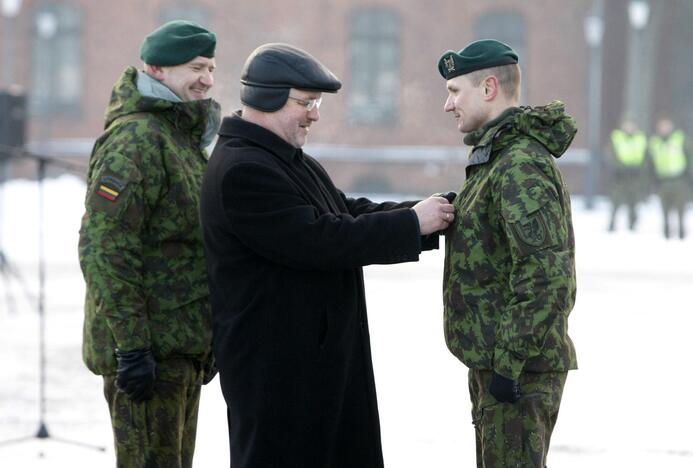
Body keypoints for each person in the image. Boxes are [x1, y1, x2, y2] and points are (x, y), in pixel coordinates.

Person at [200, 43, 455, 468]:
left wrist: (423, 213)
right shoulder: (243, 170)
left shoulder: (283, 158)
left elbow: (344, 210)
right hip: (279, 376)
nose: (315, 113)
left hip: (310, 366)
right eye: (307, 102)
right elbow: (319, 239)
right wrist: (411, 224)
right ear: (268, 97)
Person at [78, 20, 220, 467]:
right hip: (147, 356)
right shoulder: (138, 138)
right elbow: (104, 248)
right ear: (156, 69)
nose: (207, 80)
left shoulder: (178, 136)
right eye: (196, 67)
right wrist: (132, 347)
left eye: (212, 68)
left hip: (178, 349)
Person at [437, 39, 578, 467]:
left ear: (489, 88)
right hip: (500, 364)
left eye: (455, 91)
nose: (448, 105)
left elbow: (546, 273)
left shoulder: (519, 162)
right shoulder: (496, 158)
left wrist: (508, 363)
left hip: (518, 371)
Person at [649, 116, 691, 239]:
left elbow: (689, 158)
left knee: (681, 209)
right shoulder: (654, 142)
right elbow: (650, 163)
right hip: (662, 180)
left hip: (679, 179)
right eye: (662, 126)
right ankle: (666, 234)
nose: (664, 128)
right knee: (665, 210)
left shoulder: (680, 139)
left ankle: (682, 234)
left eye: (666, 125)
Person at [607, 118, 649, 231]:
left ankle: (632, 224)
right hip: (620, 176)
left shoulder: (641, 138)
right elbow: (611, 155)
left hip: (635, 175)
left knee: (634, 202)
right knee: (616, 201)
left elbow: (646, 157)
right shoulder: (616, 137)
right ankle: (612, 224)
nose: (629, 128)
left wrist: (640, 169)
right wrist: (619, 168)